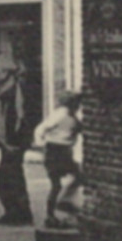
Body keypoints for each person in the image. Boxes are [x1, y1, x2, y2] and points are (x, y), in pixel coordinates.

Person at [0, 55, 35, 226]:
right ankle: (14, 212)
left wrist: (12, 142)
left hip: (13, 142)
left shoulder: (14, 90)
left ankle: (19, 213)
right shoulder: (6, 88)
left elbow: (17, 117)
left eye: (0, 71)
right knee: (8, 177)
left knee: (11, 177)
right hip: (8, 141)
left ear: (8, 73)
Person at [34, 91, 84, 229]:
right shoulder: (61, 115)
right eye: (77, 103)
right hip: (55, 151)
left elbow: (79, 128)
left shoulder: (71, 115)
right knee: (57, 184)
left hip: (64, 152)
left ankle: (61, 204)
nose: (79, 107)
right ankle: (53, 212)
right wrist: (41, 144)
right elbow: (41, 129)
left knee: (74, 178)